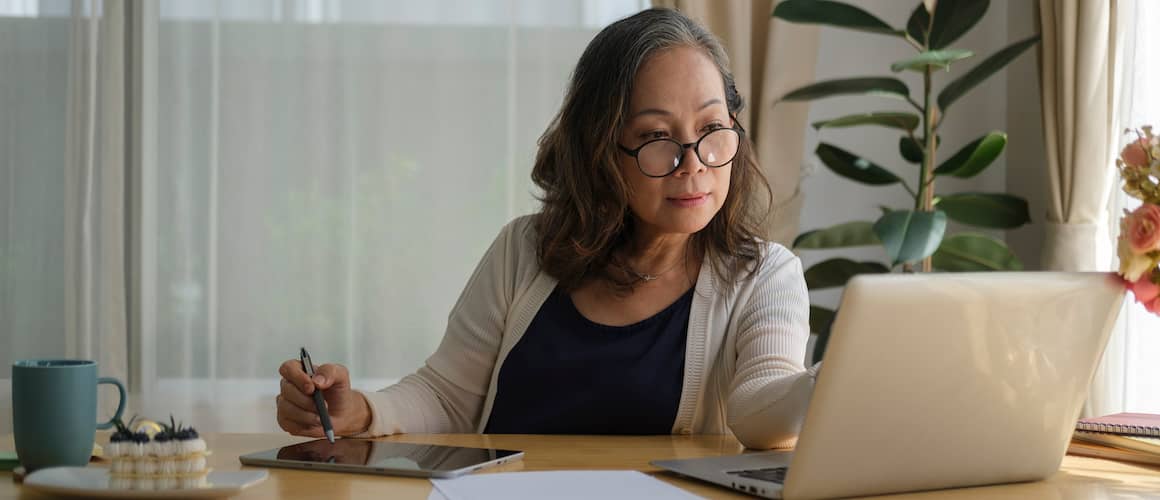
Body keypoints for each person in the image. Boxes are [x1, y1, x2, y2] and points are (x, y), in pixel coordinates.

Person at [276, 7, 818, 450]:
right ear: (601, 149)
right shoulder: (524, 250)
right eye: (657, 136)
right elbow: (447, 397)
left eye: (711, 128)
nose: (693, 162)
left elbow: (760, 408)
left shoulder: (763, 275)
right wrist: (360, 411)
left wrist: (835, 384)